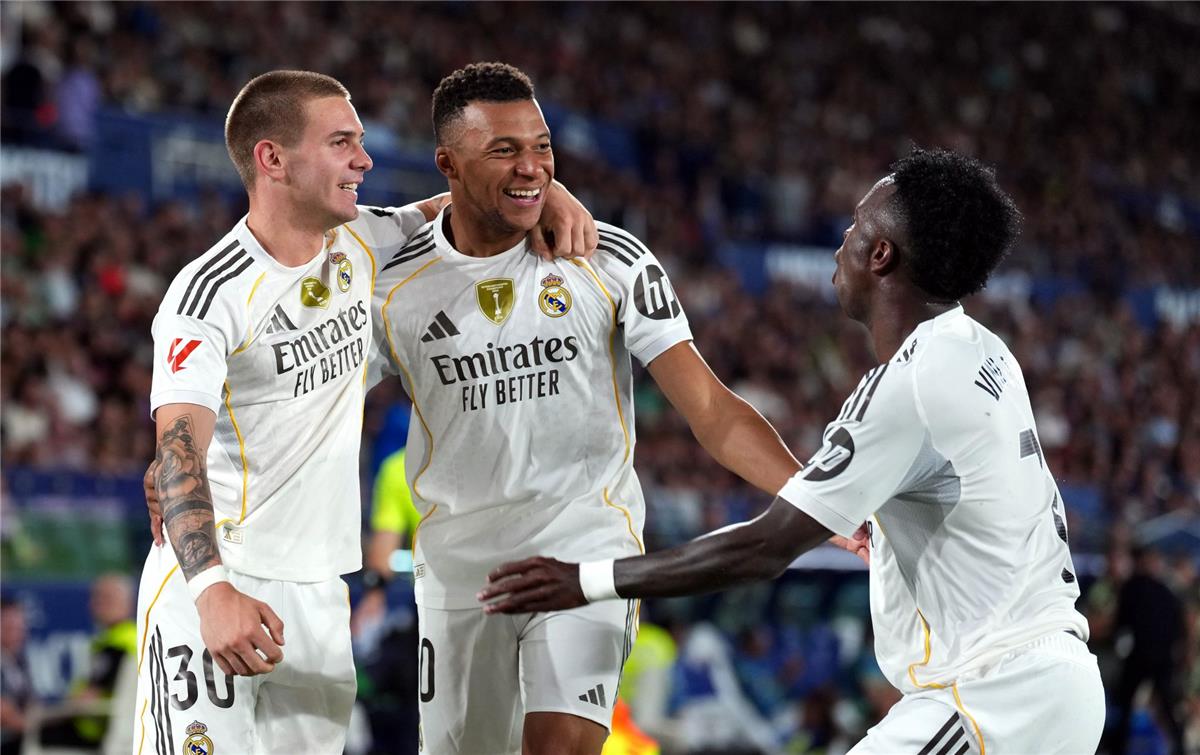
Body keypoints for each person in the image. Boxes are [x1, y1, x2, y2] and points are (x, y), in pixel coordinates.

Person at [481, 148, 1107, 754]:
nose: (842, 242)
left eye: (855, 226)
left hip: (996, 695)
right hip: (1047, 683)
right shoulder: (985, 350)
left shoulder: (911, 383)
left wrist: (586, 580)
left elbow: (763, 548)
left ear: (881, 255)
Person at [374, 61, 864, 755]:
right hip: (459, 574)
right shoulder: (391, 282)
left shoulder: (607, 258)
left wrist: (812, 495)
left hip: (583, 549)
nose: (532, 167)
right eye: (504, 150)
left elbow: (711, 407)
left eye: (542, 146)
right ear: (447, 164)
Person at [136, 69, 595, 754]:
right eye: (342, 142)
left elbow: (463, 203)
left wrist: (547, 189)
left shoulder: (365, 241)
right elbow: (176, 452)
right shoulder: (207, 295)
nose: (365, 160)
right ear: (273, 158)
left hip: (321, 594)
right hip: (221, 582)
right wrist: (211, 591)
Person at [40, 573, 137, 750]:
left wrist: (51, 713)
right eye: (96, 597)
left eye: (106, 598)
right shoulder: (132, 636)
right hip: (125, 730)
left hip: (98, 732)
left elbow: (89, 697)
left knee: (27, 736)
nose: (96, 603)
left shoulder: (116, 644)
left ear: (127, 603)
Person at [1110, 545, 1187, 755]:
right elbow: (1178, 628)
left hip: (1141, 656)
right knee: (1165, 705)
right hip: (1159, 657)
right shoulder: (1165, 591)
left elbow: (1121, 623)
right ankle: (1180, 746)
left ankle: (1118, 747)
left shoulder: (1132, 588)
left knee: (1127, 705)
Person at [0, 595, 32, 755]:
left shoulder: (19, 661)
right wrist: (35, 727)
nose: (16, 633)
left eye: (20, 628)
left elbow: (32, 703)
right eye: (8, 627)